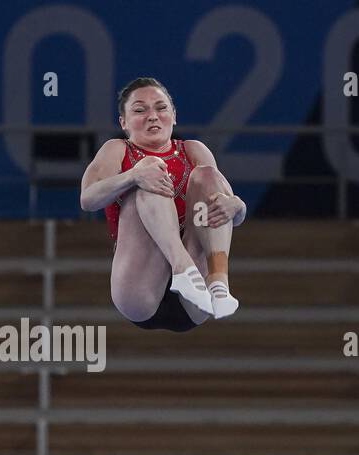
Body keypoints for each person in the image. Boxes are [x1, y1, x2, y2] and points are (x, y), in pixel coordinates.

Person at [80, 77, 246, 332]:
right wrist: (132, 176)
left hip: (197, 293)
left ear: (174, 116)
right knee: (147, 174)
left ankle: (218, 281)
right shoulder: (117, 149)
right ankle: (182, 268)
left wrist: (236, 206)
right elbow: (88, 199)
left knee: (207, 176)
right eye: (139, 110)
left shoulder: (194, 150)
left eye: (161, 108)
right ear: (123, 122)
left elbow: (231, 212)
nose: (152, 116)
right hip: (140, 286)